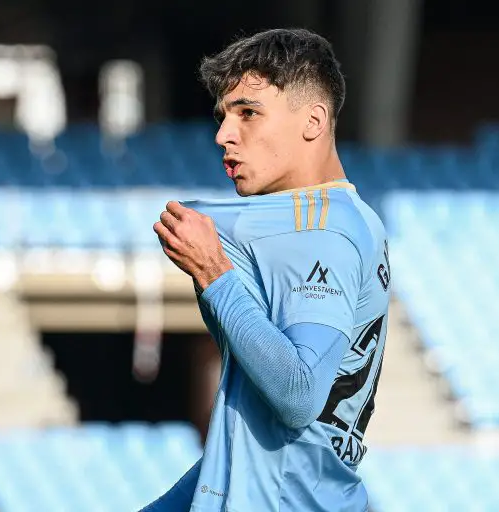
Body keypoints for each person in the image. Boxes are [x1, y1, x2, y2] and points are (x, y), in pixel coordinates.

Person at [144, 28, 391, 512]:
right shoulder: (328, 220)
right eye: (223, 116)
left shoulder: (325, 229)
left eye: (248, 113)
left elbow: (298, 394)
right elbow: (257, 439)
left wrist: (215, 273)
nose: (223, 135)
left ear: (313, 121)